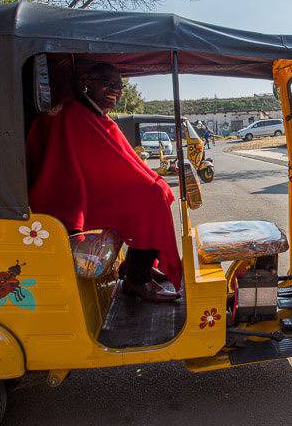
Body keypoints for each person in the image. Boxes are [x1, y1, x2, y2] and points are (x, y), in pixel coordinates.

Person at [26, 62, 181, 303]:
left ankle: (135, 265)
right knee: (152, 195)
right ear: (86, 83)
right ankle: (136, 280)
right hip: (75, 196)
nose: (115, 91)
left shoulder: (96, 114)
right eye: (107, 84)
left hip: (94, 187)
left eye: (119, 86)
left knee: (158, 188)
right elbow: (79, 167)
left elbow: (120, 161)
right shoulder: (73, 114)